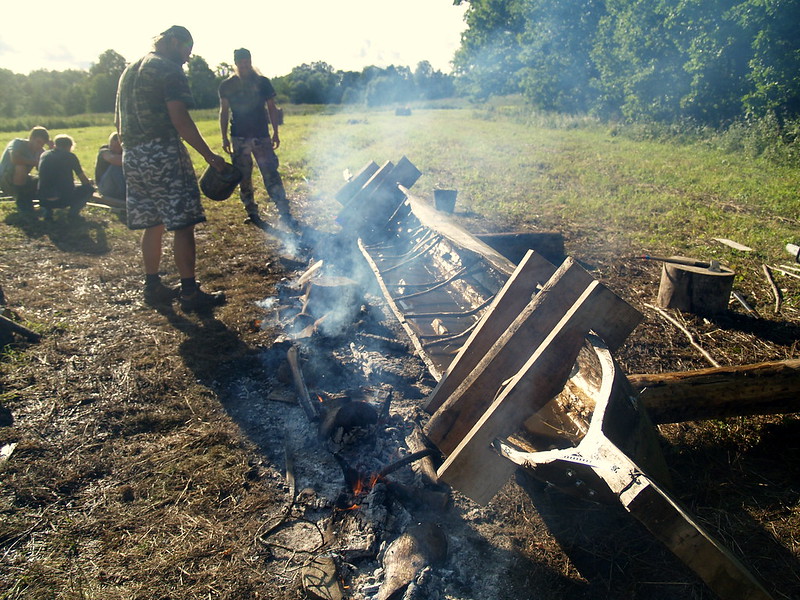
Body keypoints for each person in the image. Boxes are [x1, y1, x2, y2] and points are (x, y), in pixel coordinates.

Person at [116, 25, 227, 310]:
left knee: (153, 222)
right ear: (175, 42)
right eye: (187, 49)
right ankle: (190, 293)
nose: (189, 57)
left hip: (132, 155)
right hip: (162, 153)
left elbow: (118, 124)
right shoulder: (168, 69)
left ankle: (152, 286)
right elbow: (179, 118)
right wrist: (208, 154)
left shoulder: (129, 71)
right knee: (183, 223)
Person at [218, 47, 295, 228]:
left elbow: (272, 108)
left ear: (250, 61)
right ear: (235, 63)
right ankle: (251, 211)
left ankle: (284, 211)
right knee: (243, 177)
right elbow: (224, 111)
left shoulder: (263, 82)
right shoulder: (227, 85)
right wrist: (224, 137)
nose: (244, 64)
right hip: (238, 137)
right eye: (241, 61)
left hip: (261, 136)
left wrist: (275, 132)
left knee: (271, 174)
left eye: (247, 61)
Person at [37, 134, 94, 221]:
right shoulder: (70, 156)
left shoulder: (44, 155)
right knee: (89, 189)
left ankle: (47, 211)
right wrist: (89, 182)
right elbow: (84, 180)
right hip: (63, 199)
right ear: (69, 146)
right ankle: (73, 213)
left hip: (43, 199)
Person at [0, 126, 51, 216]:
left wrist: (51, 152)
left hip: (22, 180)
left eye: (42, 144)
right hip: (5, 180)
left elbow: (44, 170)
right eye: (38, 142)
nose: (39, 146)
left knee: (42, 179)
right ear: (31, 138)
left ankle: (33, 202)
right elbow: (15, 159)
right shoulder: (17, 143)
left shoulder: (39, 151)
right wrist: (36, 162)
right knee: (21, 166)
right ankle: (22, 202)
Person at [95, 131, 126, 199]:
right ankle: (124, 195)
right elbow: (116, 160)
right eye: (112, 146)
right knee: (116, 167)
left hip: (116, 186)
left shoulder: (124, 152)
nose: (113, 149)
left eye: (117, 147)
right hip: (105, 187)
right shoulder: (104, 151)